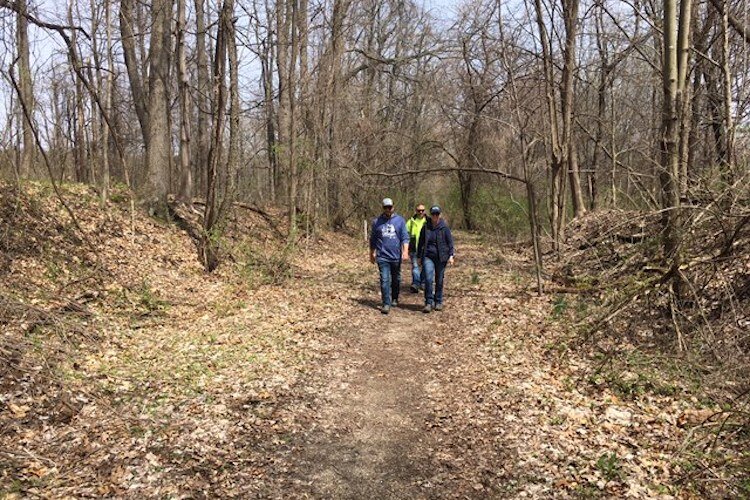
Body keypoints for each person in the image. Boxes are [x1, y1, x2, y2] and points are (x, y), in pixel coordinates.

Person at [369, 198, 409, 314]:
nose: (388, 209)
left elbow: (405, 237)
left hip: (396, 256)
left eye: (390, 207)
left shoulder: (400, 221)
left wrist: (405, 251)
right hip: (382, 256)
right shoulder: (377, 222)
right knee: (384, 279)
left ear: (393, 207)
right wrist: (371, 253)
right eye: (385, 207)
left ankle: (395, 297)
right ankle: (386, 303)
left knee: (396, 278)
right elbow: (373, 240)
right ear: (383, 208)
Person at [417, 205, 455, 313]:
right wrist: (419, 256)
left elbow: (450, 242)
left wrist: (451, 255)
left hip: (441, 257)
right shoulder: (426, 227)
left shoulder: (444, 227)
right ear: (430, 215)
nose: (435, 216)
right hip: (428, 256)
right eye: (433, 214)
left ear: (439, 215)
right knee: (428, 279)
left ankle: (438, 301)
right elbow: (420, 242)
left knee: (439, 280)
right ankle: (428, 302)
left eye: (437, 214)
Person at [405, 204, 427, 293]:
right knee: (415, 266)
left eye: (422, 210)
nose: (420, 212)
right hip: (414, 248)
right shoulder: (411, 221)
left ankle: (423, 283)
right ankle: (416, 284)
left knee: (425, 266)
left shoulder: (428, 221)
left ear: (425, 211)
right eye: (418, 210)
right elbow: (405, 234)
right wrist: (405, 248)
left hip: (425, 248)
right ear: (416, 211)